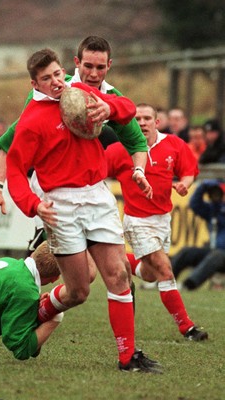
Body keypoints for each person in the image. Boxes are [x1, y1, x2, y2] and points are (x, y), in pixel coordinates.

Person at [5, 48, 161, 373]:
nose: (56, 82)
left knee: (118, 275)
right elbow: (16, 171)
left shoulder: (79, 94)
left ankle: (127, 357)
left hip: (97, 196)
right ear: (34, 82)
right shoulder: (32, 120)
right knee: (78, 290)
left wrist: (109, 106)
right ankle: (38, 311)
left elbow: (128, 108)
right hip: (60, 205)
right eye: (47, 78)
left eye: (59, 74)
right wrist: (33, 204)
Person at [0, 36, 149, 242]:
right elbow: (10, 144)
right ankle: (26, 268)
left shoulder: (108, 97)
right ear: (76, 63)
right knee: (51, 266)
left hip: (90, 192)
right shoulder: (49, 92)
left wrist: (139, 170)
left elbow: (137, 141)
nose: (94, 74)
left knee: (110, 268)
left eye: (100, 67)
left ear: (109, 66)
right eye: (88, 66)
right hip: (51, 192)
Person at [105, 103, 208, 341]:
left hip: (163, 219)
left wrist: (185, 183)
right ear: (130, 123)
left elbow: (190, 170)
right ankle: (187, 327)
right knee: (164, 270)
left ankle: (118, 263)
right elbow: (93, 173)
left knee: (150, 274)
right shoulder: (119, 149)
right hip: (137, 221)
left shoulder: (174, 144)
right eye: (136, 119)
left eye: (146, 118)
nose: (141, 123)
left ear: (156, 122)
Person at [171, 179, 225, 290]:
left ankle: (188, 285)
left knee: (217, 255)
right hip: (213, 252)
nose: (216, 196)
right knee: (186, 252)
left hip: (220, 255)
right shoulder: (214, 210)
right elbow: (194, 204)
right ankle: (165, 281)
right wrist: (203, 187)